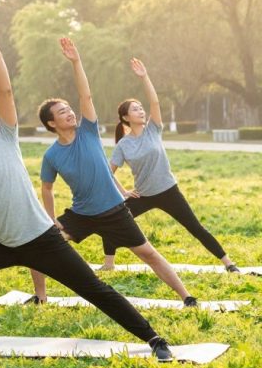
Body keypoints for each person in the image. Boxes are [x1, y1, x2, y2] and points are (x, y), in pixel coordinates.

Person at [0, 13, 173, 362]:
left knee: (94, 289)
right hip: (1, 243)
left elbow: (4, 90)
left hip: (41, 240)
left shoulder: (3, 136)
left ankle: (153, 338)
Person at [34, 38, 196, 307]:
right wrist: (51, 220)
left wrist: (76, 61)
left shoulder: (88, 131)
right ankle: (40, 297)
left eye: (69, 109)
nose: (70, 113)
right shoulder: (52, 155)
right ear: (52, 123)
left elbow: (85, 96)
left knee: (148, 253)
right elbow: (47, 188)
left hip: (113, 211)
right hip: (81, 215)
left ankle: (187, 296)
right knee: (38, 243)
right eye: (63, 112)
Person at [102, 58, 238, 272]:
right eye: (135, 109)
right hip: (143, 195)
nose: (141, 111)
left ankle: (229, 264)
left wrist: (144, 77)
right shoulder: (123, 145)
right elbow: (107, 173)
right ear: (125, 117)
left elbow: (154, 103)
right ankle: (108, 265)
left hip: (168, 191)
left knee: (195, 227)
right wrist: (124, 192)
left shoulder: (153, 129)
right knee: (114, 220)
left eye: (140, 108)